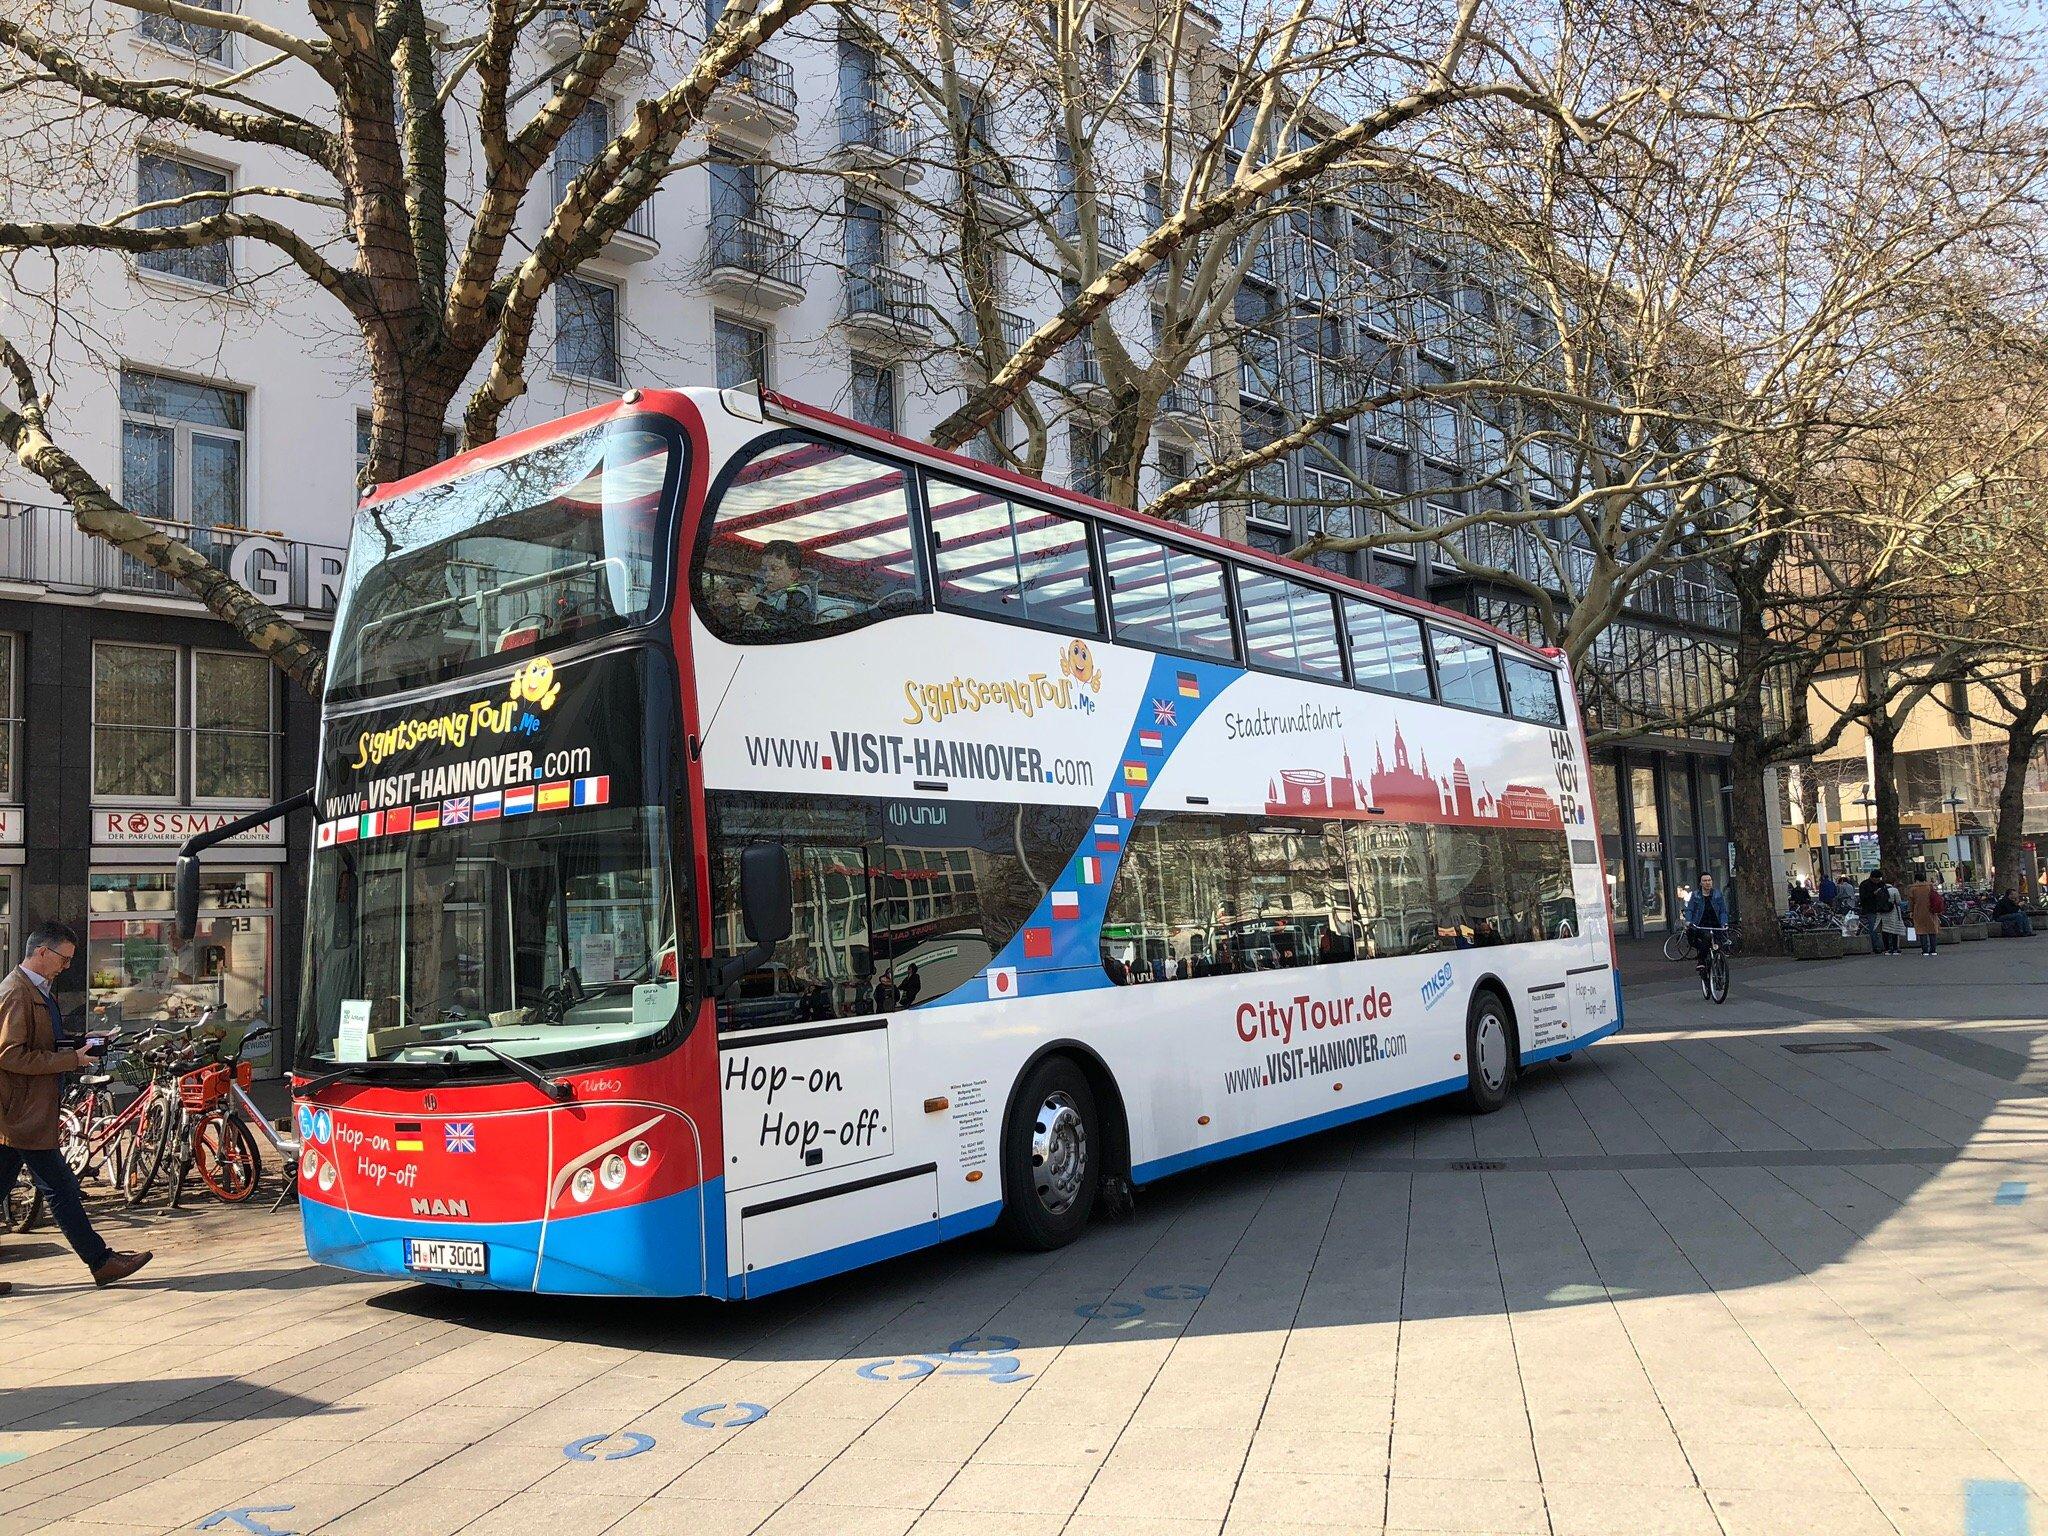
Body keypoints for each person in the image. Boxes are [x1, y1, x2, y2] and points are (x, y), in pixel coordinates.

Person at [0, 923, 153, 1294]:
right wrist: (71, 1060)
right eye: (63, 958)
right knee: (62, 1188)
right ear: (42, 952)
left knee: (51, 1187)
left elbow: (43, 1043)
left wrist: (81, 1044)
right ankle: (101, 1262)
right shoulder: (17, 992)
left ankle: (102, 1262)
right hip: (21, 1115)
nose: (67, 966)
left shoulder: (36, 989)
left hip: (24, 1113)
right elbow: (9, 1055)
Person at [731, 541, 816, 633]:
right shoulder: (759, 591)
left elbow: (793, 628)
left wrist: (758, 607)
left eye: (775, 569)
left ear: (794, 574)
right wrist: (731, 605)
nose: (767, 574)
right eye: (764, 569)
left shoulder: (797, 597)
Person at [1683, 872, 1730, 979]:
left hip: (1716, 925)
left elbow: (1722, 911)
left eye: (1709, 880)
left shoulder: (1717, 894)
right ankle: (1701, 961)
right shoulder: (1695, 895)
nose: (1707, 883)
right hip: (1701, 925)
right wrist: (1688, 921)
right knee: (1706, 938)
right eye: (1705, 881)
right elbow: (1690, 910)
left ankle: (1720, 970)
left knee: (1719, 946)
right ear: (1700, 883)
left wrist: (1724, 923)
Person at [1857, 869, 1891, 955]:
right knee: (1873, 928)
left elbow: (1886, 895)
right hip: (1871, 909)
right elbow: (1863, 898)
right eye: (1877, 879)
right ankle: (1876, 947)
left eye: (1879, 878)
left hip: (1882, 909)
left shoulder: (1881, 884)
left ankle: (1886, 946)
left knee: (1885, 928)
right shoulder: (1864, 884)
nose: (1878, 880)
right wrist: (1873, 894)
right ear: (1872, 878)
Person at [1906, 871, 1940, 957]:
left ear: (1916, 879)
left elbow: (1911, 902)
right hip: (1930, 910)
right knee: (1932, 930)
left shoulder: (1913, 888)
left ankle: (1925, 950)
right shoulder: (1929, 886)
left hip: (1918, 911)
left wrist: (1910, 911)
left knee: (1921, 930)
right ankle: (1933, 950)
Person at [1876, 873, 1907, 954]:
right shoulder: (1894, 890)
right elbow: (1898, 902)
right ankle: (1895, 948)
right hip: (1893, 912)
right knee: (1894, 930)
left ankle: (1887, 949)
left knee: (1885, 931)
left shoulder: (1879, 890)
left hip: (1883, 913)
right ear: (1893, 883)